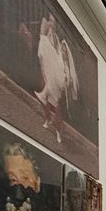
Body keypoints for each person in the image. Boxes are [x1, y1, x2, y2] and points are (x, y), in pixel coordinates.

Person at [34, 14, 78, 145]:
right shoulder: (56, 56)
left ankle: (58, 131)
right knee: (45, 101)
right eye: (62, 49)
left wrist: (67, 81)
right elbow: (46, 48)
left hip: (59, 89)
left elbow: (69, 80)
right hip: (51, 81)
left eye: (65, 51)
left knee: (57, 108)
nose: (63, 52)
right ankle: (48, 119)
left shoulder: (67, 66)